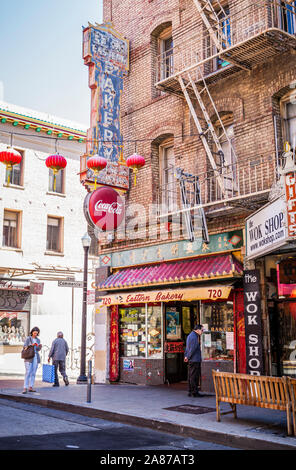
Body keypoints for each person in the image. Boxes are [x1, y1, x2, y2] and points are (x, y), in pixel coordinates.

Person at [184, 324, 203, 397]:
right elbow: (192, 349)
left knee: (191, 375)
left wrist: (186, 356)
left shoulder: (190, 336)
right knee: (194, 376)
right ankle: (194, 392)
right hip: (194, 359)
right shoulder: (194, 337)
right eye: (202, 330)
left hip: (192, 359)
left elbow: (187, 348)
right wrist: (188, 357)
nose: (202, 331)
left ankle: (190, 391)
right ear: (197, 330)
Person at [22, 327, 42, 394]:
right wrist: (31, 345)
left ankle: (31, 387)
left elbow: (37, 349)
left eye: (37, 333)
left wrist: (39, 347)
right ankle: (25, 387)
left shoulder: (38, 340)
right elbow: (24, 347)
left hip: (35, 356)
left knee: (33, 372)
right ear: (32, 332)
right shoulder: (28, 338)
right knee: (28, 372)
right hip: (29, 357)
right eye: (34, 333)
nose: (35, 334)